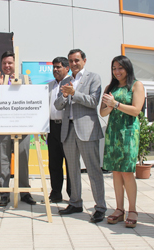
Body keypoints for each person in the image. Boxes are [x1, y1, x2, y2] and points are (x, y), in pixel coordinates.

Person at [54, 49, 106, 223]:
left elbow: (93, 101)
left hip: (86, 130)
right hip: (67, 130)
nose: (73, 63)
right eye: (70, 61)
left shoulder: (93, 78)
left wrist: (75, 93)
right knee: (72, 169)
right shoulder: (67, 80)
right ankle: (75, 203)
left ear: (84, 60)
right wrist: (64, 95)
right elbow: (58, 104)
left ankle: (100, 207)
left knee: (93, 170)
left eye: (76, 60)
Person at [100, 55, 145, 228]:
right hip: (113, 133)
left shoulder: (136, 85)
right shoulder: (109, 87)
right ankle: (119, 209)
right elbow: (102, 113)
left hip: (128, 132)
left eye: (120, 68)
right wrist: (109, 106)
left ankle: (132, 210)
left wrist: (116, 104)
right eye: (114, 68)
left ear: (127, 68)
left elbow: (136, 110)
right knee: (116, 172)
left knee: (127, 172)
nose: (117, 71)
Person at [0, 51, 36, 207]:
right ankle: (4, 193)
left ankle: (24, 192)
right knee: (3, 161)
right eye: (4, 63)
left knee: (23, 159)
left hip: (22, 127)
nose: (7, 66)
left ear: (15, 63)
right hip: (2, 127)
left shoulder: (25, 79)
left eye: (10, 63)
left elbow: (31, 98)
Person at [45, 57, 71, 203]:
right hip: (52, 127)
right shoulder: (49, 86)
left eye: (58, 67)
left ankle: (73, 193)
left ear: (67, 68)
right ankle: (55, 193)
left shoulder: (72, 83)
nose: (55, 69)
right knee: (54, 162)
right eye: (54, 67)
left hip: (67, 127)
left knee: (70, 162)